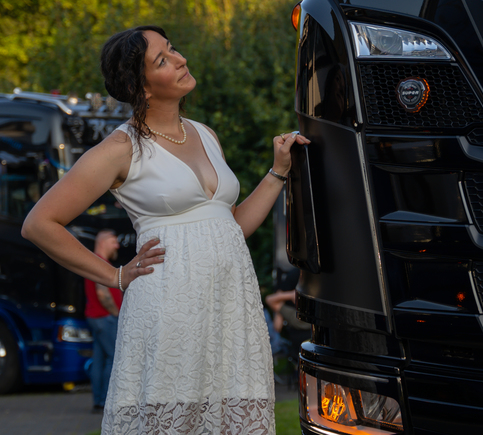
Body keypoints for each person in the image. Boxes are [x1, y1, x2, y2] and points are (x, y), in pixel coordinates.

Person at [21, 25, 310, 434]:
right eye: (162, 60)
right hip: (168, 304)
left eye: (172, 50)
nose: (180, 60)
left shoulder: (205, 134)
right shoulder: (121, 148)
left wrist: (277, 172)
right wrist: (115, 275)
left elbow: (229, 226)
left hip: (229, 304)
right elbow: (39, 224)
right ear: (138, 86)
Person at [84, 229, 123, 413]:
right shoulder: (99, 263)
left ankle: (99, 402)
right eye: (114, 241)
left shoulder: (95, 262)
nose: (117, 245)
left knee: (99, 360)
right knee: (114, 359)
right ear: (104, 242)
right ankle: (108, 402)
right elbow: (102, 293)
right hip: (105, 318)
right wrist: (117, 314)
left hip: (97, 318)